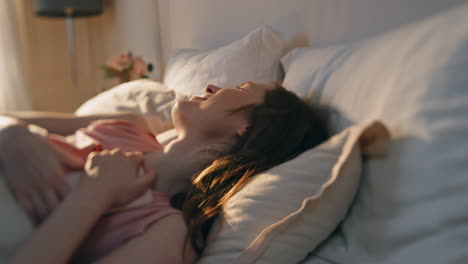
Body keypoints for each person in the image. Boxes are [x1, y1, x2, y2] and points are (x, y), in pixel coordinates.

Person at [1, 82, 329, 264]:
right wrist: (12, 134)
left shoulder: (168, 235)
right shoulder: (129, 127)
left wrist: (94, 194)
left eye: (241, 88)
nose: (213, 85)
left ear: (249, 126)